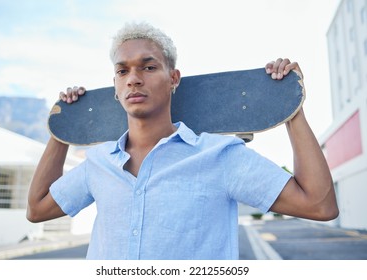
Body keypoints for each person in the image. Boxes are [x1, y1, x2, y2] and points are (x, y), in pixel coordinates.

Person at [27, 22, 339, 260]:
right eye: (123, 71)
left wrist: (290, 106)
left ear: (173, 78)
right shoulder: (99, 163)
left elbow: (319, 205)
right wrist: (63, 127)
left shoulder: (220, 157)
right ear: (115, 86)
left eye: (148, 67)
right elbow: (37, 210)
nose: (133, 78)